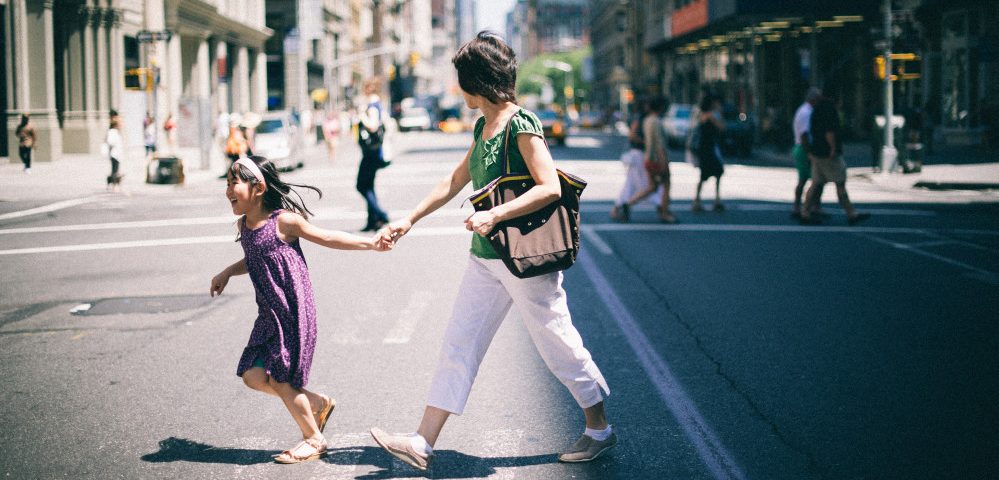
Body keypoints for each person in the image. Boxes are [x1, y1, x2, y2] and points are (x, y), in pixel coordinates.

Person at [369, 31, 614, 471]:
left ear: (478, 81)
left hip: (524, 260)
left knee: (555, 339)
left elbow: (549, 186)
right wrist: (409, 218)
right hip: (485, 257)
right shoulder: (483, 124)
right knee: (458, 343)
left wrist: (495, 215)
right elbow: (455, 179)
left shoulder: (522, 124)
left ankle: (599, 427)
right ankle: (422, 443)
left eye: (461, 80)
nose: (457, 88)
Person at [210, 155, 391, 464]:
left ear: (258, 188)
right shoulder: (245, 225)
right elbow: (255, 257)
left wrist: (370, 244)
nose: (228, 190)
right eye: (226, 184)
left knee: (282, 380)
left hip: (293, 314)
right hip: (268, 315)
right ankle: (317, 402)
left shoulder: (284, 222)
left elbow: (328, 237)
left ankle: (313, 438)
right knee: (253, 376)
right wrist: (227, 271)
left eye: (234, 183)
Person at [799, 86, 870, 226]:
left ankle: (805, 212)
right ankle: (851, 213)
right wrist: (832, 148)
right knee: (840, 182)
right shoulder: (829, 109)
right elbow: (829, 131)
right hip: (827, 153)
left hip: (816, 151)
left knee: (815, 183)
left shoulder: (816, 109)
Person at [619, 95, 676, 223]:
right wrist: (664, 161)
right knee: (666, 185)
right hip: (657, 159)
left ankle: (628, 204)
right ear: (661, 107)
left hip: (648, 157)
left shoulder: (647, 120)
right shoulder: (656, 121)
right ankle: (665, 213)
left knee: (652, 186)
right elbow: (659, 144)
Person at [356, 77, 390, 232]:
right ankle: (373, 221)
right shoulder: (377, 104)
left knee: (361, 185)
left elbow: (373, 126)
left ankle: (381, 215)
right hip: (373, 151)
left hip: (372, 153)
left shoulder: (372, 106)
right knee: (368, 185)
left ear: (369, 89)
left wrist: (361, 115)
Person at [609, 98, 649, 222]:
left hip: (639, 154)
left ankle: (618, 208)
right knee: (648, 185)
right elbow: (632, 135)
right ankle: (662, 209)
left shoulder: (642, 118)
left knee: (633, 184)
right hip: (638, 154)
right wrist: (646, 142)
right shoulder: (639, 118)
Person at [791, 88, 823, 219]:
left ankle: (802, 207)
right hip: (804, 148)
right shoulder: (806, 112)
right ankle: (809, 207)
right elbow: (804, 134)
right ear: (813, 99)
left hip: (802, 148)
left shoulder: (804, 110)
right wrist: (809, 152)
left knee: (806, 179)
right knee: (815, 180)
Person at [691, 95, 725, 212]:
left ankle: (703, 200)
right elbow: (721, 128)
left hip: (708, 148)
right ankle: (704, 200)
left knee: (714, 172)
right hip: (707, 149)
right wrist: (717, 116)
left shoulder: (701, 114)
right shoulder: (709, 115)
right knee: (708, 173)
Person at [104, 118, 124, 192]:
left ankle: (110, 183)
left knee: (115, 170)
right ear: (115, 125)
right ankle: (114, 185)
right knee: (115, 171)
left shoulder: (116, 132)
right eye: (119, 124)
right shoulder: (112, 132)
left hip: (117, 154)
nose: (120, 126)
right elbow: (110, 142)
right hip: (114, 154)